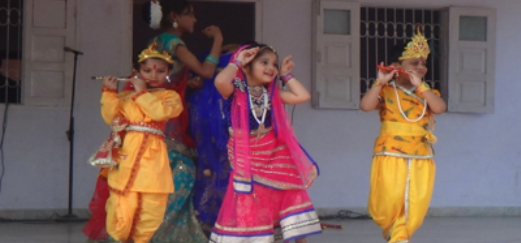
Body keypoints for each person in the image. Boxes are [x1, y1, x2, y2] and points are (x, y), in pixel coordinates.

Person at [210, 44, 322, 243]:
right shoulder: (234, 91)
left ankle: (296, 237)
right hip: (247, 155)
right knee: (252, 198)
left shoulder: (270, 94)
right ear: (246, 67)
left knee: (289, 189)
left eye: (274, 64)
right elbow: (220, 80)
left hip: (274, 151)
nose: (271, 68)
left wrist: (286, 76)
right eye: (264, 63)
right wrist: (237, 61)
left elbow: (302, 96)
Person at [89, 42, 183, 243]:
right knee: (121, 210)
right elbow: (110, 118)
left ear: (168, 73)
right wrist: (109, 92)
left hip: (153, 165)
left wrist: (141, 94)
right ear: (136, 72)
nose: (153, 75)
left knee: (151, 213)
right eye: (146, 70)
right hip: (126, 160)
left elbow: (159, 112)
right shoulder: (126, 98)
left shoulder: (170, 97)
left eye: (160, 71)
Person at [360, 28, 446, 243]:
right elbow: (365, 106)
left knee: (415, 202)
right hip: (390, 154)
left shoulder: (427, 93)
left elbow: (439, 108)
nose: (420, 67)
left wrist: (421, 87)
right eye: (414, 63)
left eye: (423, 63)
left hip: (420, 155)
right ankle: (396, 235)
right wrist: (379, 82)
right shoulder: (386, 91)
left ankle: (399, 238)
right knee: (388, 200)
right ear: (396, 67)